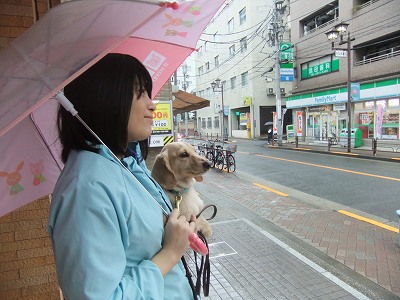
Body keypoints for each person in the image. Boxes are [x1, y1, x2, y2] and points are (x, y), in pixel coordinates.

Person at [48, 53, 197, 299]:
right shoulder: (87, 189)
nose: (152, 104)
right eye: (140, 93)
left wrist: (174, 229)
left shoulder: (123, 163)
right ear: (104, 99)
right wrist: (171, 252)